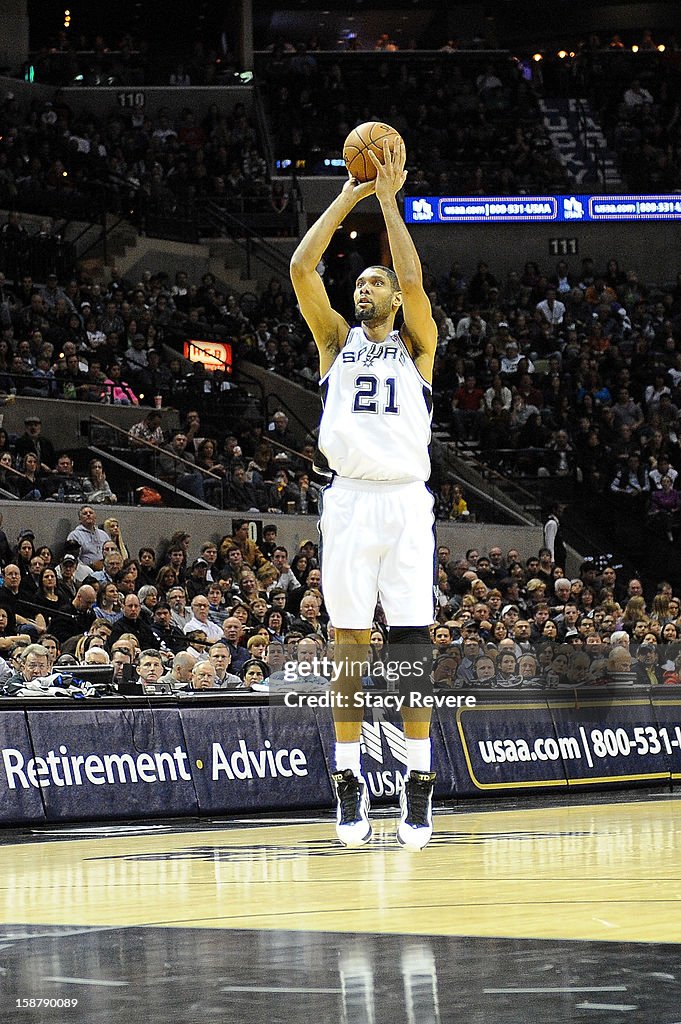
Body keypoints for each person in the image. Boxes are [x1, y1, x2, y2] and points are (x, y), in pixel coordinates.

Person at [290, 135, 438, 850]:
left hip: (407, 501)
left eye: (374, 283)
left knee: (410, 647)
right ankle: (348, 780)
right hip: (348, 498)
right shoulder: (333, 343)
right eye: (361, 285)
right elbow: (300, 266)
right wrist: (348, 193)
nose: (365, 289)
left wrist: (389, 202)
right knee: (349, 644)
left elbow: (413, 282)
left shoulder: (417, 347)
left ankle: (419, 782)